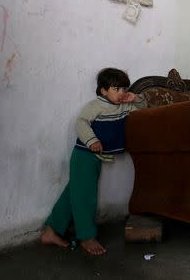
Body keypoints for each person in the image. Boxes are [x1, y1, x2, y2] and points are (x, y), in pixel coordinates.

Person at [41, 68, 147, 256]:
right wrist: (92, 141)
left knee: (74, 193)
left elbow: (145, 110)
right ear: (103, 91)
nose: (121, 93)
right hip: (84, 155)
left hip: (95, 158)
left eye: (124, 89)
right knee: (85, 197)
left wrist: (135, 98)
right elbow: (81, 122)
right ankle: (86, 237)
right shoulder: (95, 106)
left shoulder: (124, 106)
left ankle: (51, 230)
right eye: (116, 89)